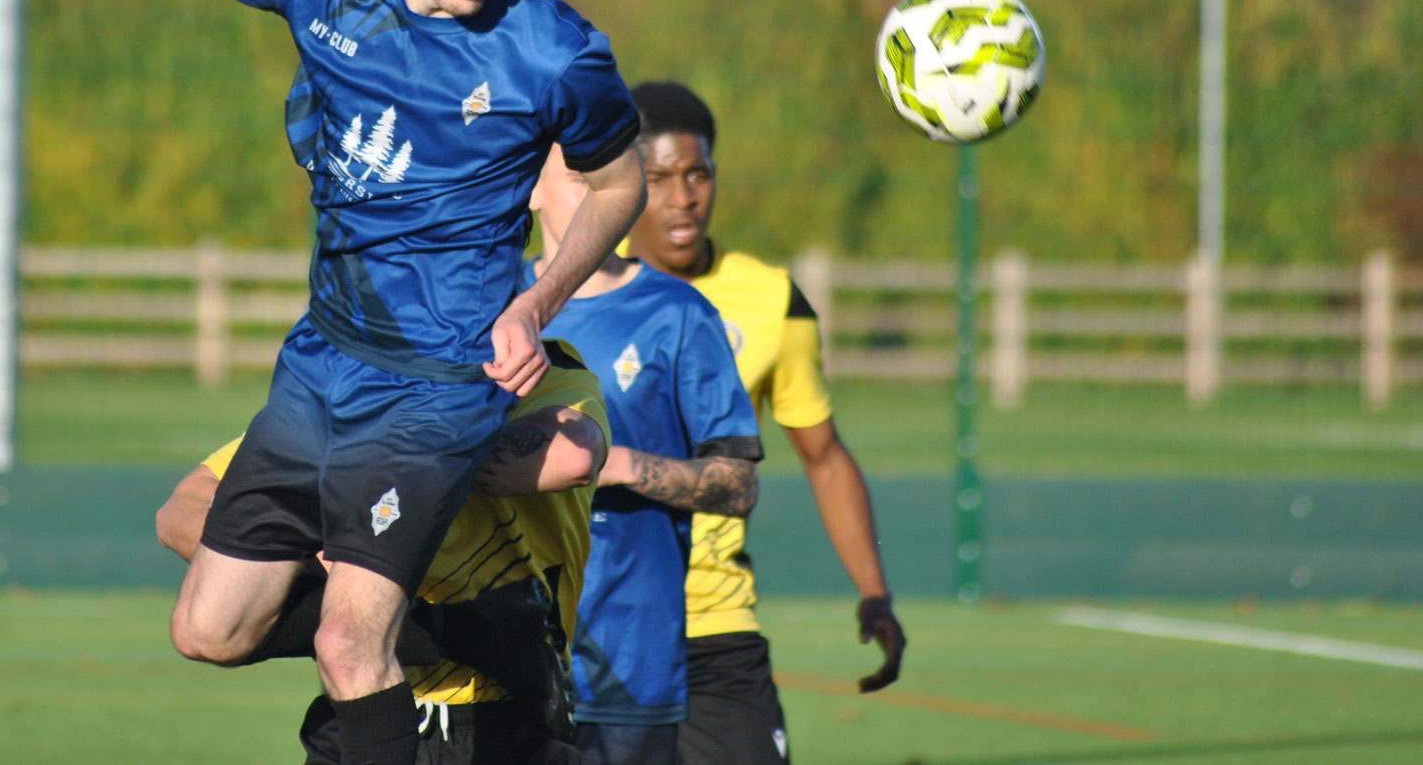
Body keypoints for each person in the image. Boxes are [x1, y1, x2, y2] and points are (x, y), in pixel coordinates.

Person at [0, 0, 647, 765]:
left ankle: (428, 643)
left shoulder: (553, 49)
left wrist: (536, 300)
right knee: (209, 626)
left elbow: (620, 184)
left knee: (348, 644)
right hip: (324, 361)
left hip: (438, 380)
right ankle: (468, 629)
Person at [157, 336, 611, 764]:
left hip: (502, 720)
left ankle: (464, 634)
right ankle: (463, 632)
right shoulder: (356, 381)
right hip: (359, 710)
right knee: (219, 612)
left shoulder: (539, 369)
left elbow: (573, 458)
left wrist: (379, 455)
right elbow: (180, 510)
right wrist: (302, 564)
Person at [624, 81, 906, 765]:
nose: (683, 198)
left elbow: (824, 457)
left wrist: (874, 591)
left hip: (717, 625)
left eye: (697, 175)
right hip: (597, 625)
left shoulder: (773, 300)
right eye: (658, 179)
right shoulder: (570, 290)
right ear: (623, 183)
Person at [529, 143, 763, 765]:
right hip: (500, 661)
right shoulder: (489, 306)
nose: (599, 194)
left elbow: (740, 486)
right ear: (531, 189)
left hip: (630, 661)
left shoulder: (679, 314)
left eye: (612, 179)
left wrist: (621, 466)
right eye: (578, 178)